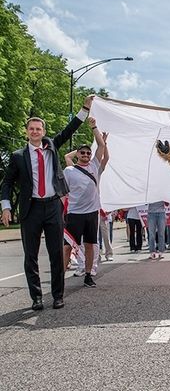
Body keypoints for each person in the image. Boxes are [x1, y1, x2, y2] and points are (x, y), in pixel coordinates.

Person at [0, 95, 93, 310]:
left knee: (56, 253)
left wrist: (84, 109)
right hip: (30, 209)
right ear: (27, 132)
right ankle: (36, 298)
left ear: (43, 131)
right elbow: (6, 183)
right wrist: (6, 207)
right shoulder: (17, 156)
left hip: (52, 206)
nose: (35, 132)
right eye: (31, 129)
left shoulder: (51, 145)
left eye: (38, 129)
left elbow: (69, 129)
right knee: (30, 256)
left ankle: (58, 295)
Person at [62, 118, 106, 288]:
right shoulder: (69, 170)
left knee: (90, 245)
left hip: (91, 214)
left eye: (88, 153)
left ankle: (88, 275)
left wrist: (94, 127)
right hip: (74, 214)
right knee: (67, 247)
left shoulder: (95, 165)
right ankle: (60, 277)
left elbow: (101, 146)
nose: (86, 155)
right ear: (78, 155)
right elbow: (63, 193)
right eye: (83, 153)